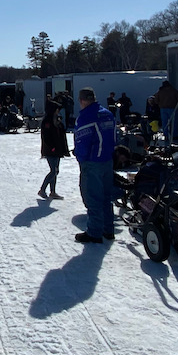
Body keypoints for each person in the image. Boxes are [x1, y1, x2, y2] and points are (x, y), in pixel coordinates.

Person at [73, 87, 115, 243]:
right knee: (106, 196)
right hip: (107, 160)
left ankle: (95, 232)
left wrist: (80, 157)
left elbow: (82, 142)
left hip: (92, 162)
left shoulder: (85, 117)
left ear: (82, 100)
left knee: (93, 197)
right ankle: (108, 229)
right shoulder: (107, 114)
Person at [38, 97, 69, 200]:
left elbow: (61, 134)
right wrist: (52, 148)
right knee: (53, 170)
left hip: (57, 149)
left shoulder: (56, 120)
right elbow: (46, 137)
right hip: (50, 150)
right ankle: (42, 189)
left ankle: (53, 191)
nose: (58, 111)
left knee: (56, 171)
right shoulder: (47, 121)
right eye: (57, 109)